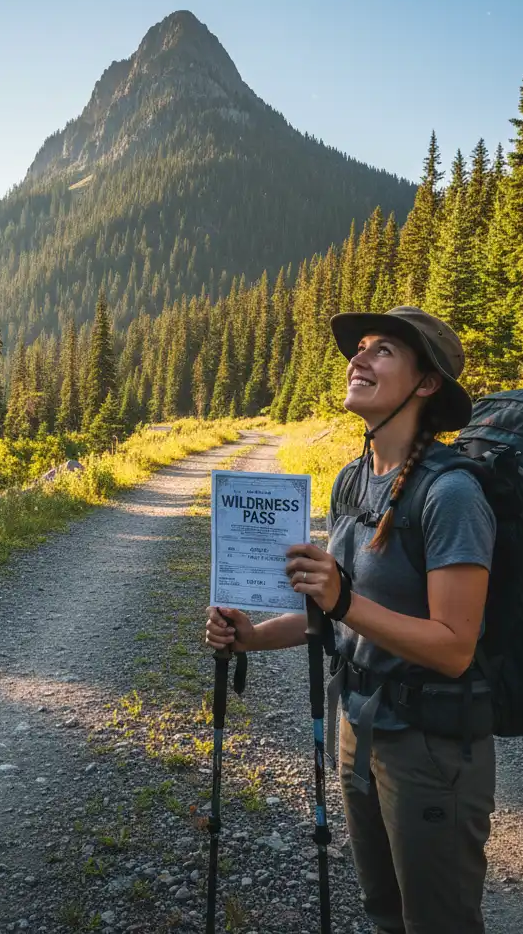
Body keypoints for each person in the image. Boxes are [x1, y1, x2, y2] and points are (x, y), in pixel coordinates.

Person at [205, 306, 496, 934]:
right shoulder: (353, 481)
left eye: (382, 351)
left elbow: (454, 648)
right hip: (357, 725)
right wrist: (251, 636)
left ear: (427, 384)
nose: (357, 359)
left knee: (437, 923)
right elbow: (329, 611)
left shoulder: (451, 496)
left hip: (431, 746)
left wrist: (342, 603)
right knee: (383, 913)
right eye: (358, 348)